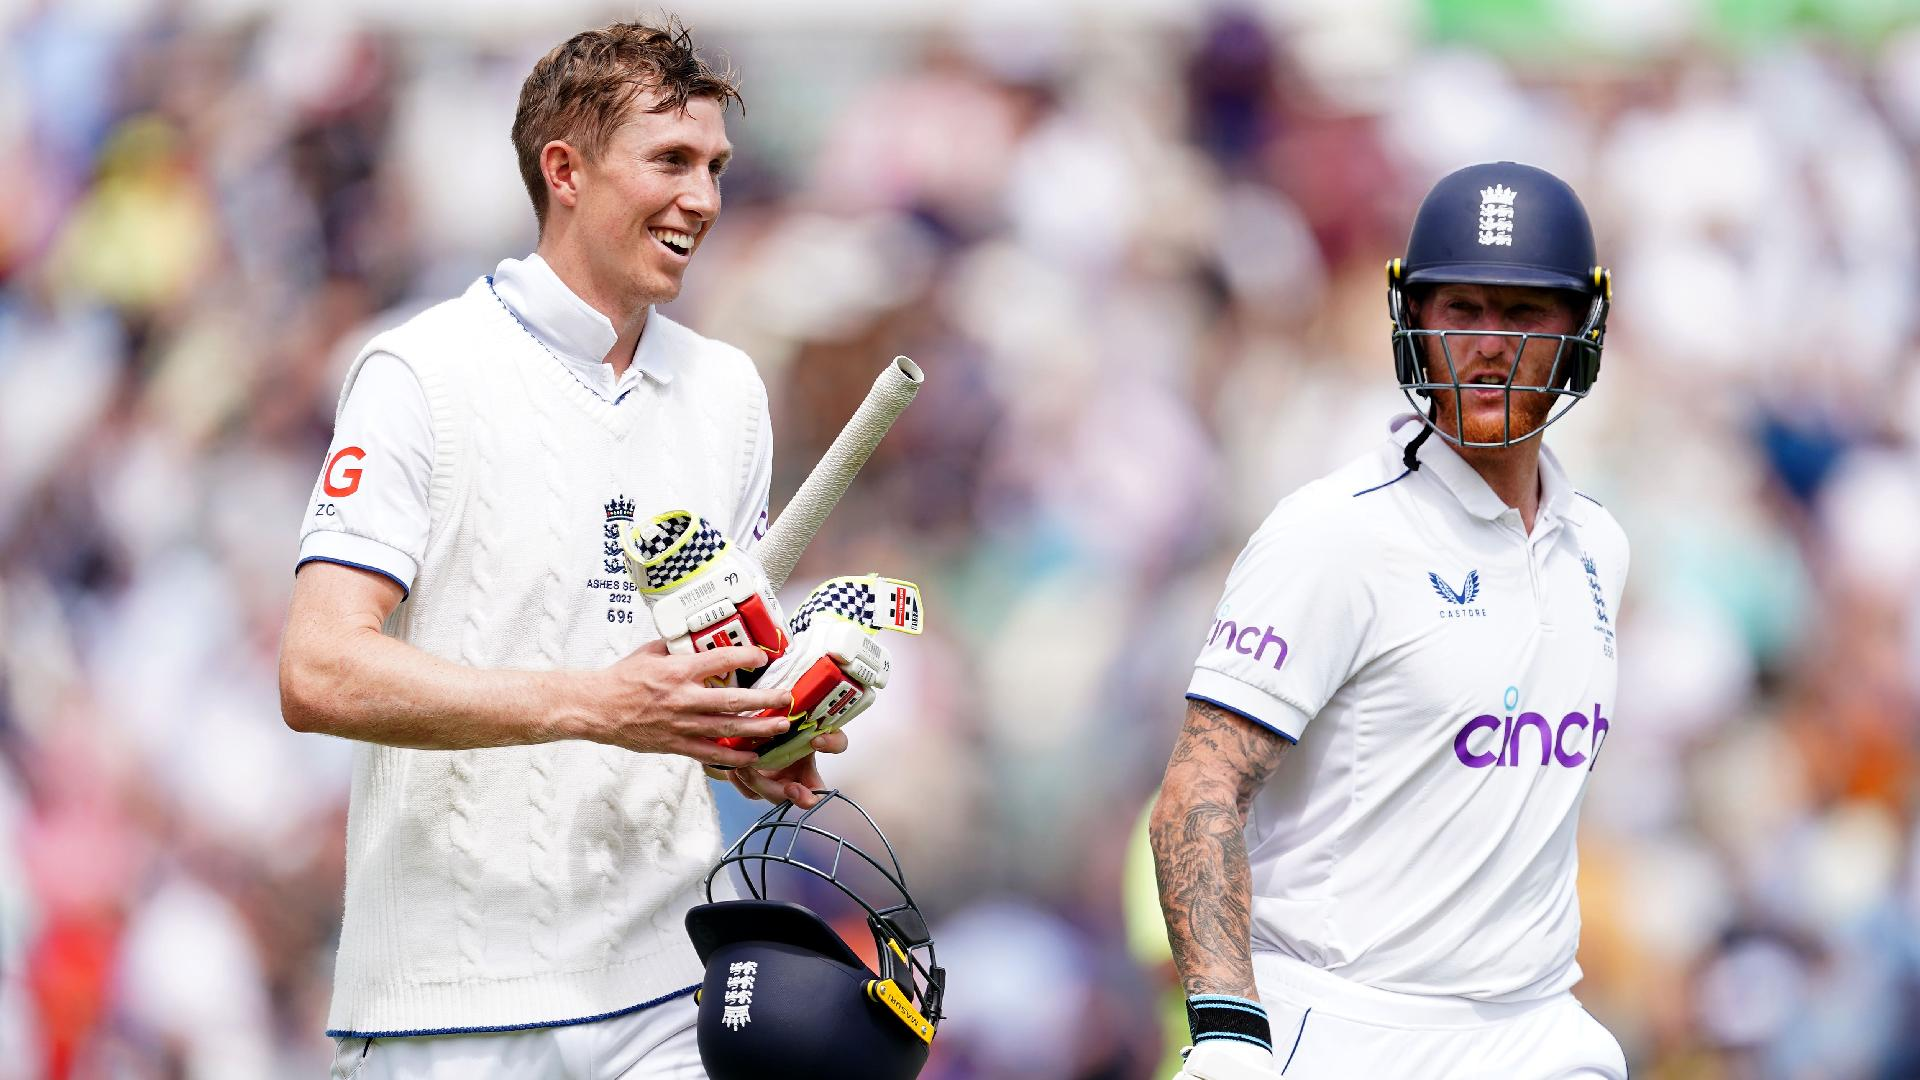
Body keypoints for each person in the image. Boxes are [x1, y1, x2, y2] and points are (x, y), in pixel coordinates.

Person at [278, 20, 843, 1079]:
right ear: (565, 171)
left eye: (715, 167)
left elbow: (708, 662)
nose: (704, 200)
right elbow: (317, 670)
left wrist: (760, 729)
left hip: (667, 990)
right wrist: (601, 706)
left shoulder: (729, 394)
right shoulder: (418, 370)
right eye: (671, 162)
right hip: (447, 1007)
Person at [1150, 162, 1631, 1080]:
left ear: (1583, 329)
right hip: (1345, 1029)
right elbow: (1198, 791)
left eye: (1524, 315)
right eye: (1462, 310)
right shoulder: (1336, 534)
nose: (1488, 345)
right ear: (1413, 316)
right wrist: (1224, 1029)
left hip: (1538, 1031)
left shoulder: (1596, 547)